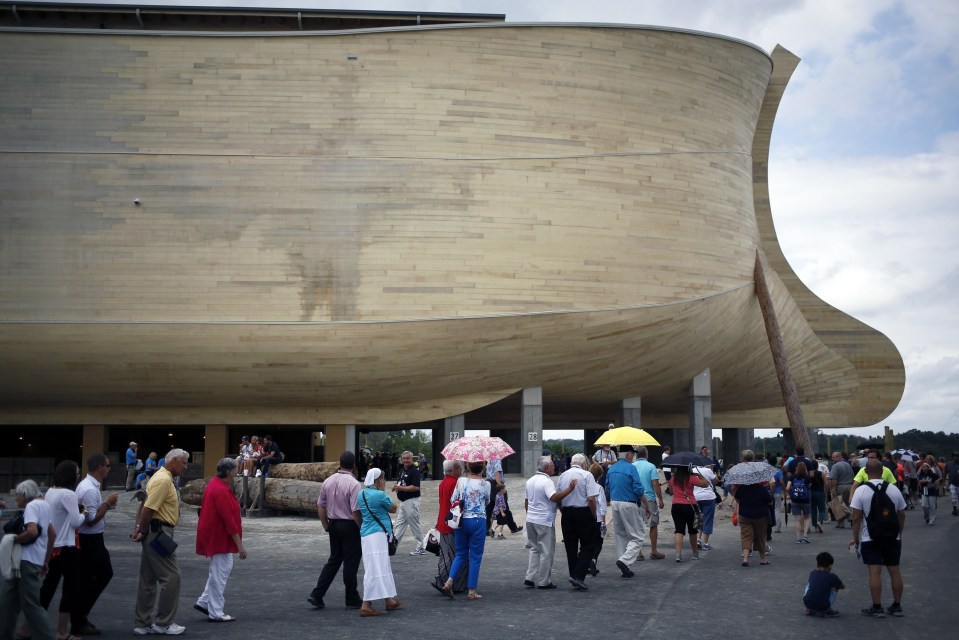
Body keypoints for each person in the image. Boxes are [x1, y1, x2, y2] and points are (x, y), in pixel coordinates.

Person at [130, 448, 190, 635]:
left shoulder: (159, 477)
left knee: (148, 579)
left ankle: (142, 623)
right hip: (159, 532)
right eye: (184, 463)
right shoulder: (164, 480)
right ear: (172, 461)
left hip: (153, 531)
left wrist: (139, 529)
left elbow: (143, 505)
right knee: (172, 577)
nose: (185, 467)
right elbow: (148, 509)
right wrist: (143, 529)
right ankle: (163, 622)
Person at [34, 460, 87, 640]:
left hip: (54, 545)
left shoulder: (50, 491)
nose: (78, 475)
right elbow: (75, 522)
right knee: (69, 589)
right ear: (70, 475)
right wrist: (84, 513)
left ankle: (29, 627)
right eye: (77, 473)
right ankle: (62, 631)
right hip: (68, 546)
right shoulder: (68, 494)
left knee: (47, 588)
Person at [0, 480, 56, 640]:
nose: (16, 499)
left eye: (17, 495)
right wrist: (45, 560)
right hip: (34, 560)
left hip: (25, 561)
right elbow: (52, 534)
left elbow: (31, 532)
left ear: (25, 495)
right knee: (7, 600)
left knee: (30, 605)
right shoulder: (44, 505)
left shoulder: (31, 507)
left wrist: (13, 540)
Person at [850, 459, 906, 618]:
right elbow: (902, 514)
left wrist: (856, 538)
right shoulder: (894, 490)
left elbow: (856, 518)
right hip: (892, 537)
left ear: (866, 473)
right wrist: (899, 534)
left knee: (875, 572)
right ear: (882, 472)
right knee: (894, 571)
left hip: (870, 537)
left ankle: (877, 607)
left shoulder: (861, 491)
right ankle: (897, 605)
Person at [308, 451, 363, 610]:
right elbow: (355, 511)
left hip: (333, 524)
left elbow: (320, 505)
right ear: (353, 465)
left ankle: (317, 594)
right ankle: (351, 597)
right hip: (349, 525)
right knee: (350, 563)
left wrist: (325, 524)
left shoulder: (328, 481)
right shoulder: (354, 484)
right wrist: (361, 528)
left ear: (339, 463)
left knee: (334, 560)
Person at [194, 457, 247, 622]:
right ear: (229, 473)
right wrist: (240, 545)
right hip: (218, 536)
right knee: (220, 572)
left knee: (220, 569)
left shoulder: (216, 485)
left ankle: (204, 601)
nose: (237, 473)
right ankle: (216, 611)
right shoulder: (221, 490)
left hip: (214, 534)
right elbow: (229, 521)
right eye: (235, 471)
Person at [73, 453, 120, 636]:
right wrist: (107, 504)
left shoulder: (89, 486)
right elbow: (91, 520)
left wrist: (104, 505)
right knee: (95, 578)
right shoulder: (90, 490)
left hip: (92, 539)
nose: (109, 469)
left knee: (94, 577)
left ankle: (80, 617)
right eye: (107, 466)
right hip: (90, 540)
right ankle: (79, 618)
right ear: (99, 467)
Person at [523, 456, 576, 589]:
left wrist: (530, 514)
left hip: (531, 519)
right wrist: (569, 489)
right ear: (546, 468)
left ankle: (530, 577)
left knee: (534, 548)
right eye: (552, 466)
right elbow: (553, 497)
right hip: (544, 520)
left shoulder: (530, 481)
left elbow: (526, 502)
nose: (554, 467)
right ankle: (543, 581)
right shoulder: (547, 482)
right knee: (546, 551)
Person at [440, 461, 491, 600]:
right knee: (475, 556)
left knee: (461, 554)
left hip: (461, 521)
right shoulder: (486, 484)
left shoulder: (461, 481)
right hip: (478, 520)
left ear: (468, 467)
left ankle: (449, 582)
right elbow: (487, 501)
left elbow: (453, 499)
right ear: (483, 468)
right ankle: (472, 590)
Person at [357, 468, 403, 616]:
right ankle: (365, 605)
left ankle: (388, 600)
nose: (384, 481)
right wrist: (384, 492)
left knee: (377, 567)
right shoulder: (379, 495)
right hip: (377, 535)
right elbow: (394, 508)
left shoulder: (361, 494)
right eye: (382, 479)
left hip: (366, 533)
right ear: (378, 480)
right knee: (376, 568)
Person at [557, 454, 599, 591]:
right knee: (588, 544)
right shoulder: (587, 475)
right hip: (583, 511)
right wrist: (594, 515)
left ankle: (573, 574)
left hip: (567, 512)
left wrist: (563, 511)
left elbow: (558, 497)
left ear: (571, 464)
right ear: (583, 464)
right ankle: (578, 575)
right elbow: (591, 499)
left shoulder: (563, 476)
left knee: (570, 545)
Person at [606, 446, 649, 575]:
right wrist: (647, 505)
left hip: (614, 503)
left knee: (620, 535)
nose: (634, 457)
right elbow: (638, 489)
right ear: (629, 455)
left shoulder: (612, 469)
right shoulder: (631, 468)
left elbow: (607, 487)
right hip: (629, 503)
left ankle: (624, 567)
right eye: (633, 454)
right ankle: (625, 561)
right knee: (638, 536)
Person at [430, 460, 468, 595]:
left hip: (442, 522)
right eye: (459, 468)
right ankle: (445, 581)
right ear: (453, 470)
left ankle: (448, 581)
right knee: (452, 556)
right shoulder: (454, 483)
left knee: (446, 555)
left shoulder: (443, 482)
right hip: (450, 524)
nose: (461, 470)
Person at [732, 464, 773, 566]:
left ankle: (745, 558)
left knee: (746, 536)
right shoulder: (762, 489)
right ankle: (763, 559)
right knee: (760, 537)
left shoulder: (742, 488)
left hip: (744, 515)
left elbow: (737, 499)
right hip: (760, 516)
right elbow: (770, 502)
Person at [669, 465, 708, 562]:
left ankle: (678, 554)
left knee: (679, 530)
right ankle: (695, 553)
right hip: (690, 506)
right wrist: (699, 475)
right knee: (693, 530)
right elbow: (705, 484)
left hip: (676, 506)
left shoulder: (673, 478)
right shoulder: (691, 478)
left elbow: (670, 491)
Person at [632, 446, 666, 559]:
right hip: (649, 498)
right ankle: (653, 551)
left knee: (636, 525)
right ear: (647, 455)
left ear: (636, 455)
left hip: (635, 499)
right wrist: (660, 499)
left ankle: (638, 553)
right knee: (653, 524)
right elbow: (655, 484)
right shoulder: (651, 466)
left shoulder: (632, 466)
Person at [392, 451, 426, 556]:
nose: (406, 460)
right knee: (400, 525)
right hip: (403, 502)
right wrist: (396, 486)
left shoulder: (414, 471)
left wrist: (401, 488)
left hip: (411, 501)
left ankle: (421, 547)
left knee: (414, 524)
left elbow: (416, 487)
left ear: (412, 459)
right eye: (404, 458)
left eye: (408, 458)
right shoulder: (402, 469)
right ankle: (393, 546)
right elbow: (400, 482)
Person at [803, 551, 844, 617]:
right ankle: (827, 609)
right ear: (830, 566)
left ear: (817, 564)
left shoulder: (813, 573)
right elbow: (841, 586)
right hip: (823, 606)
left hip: (807, 603)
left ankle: (809, 608)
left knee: (810, 584)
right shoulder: (832, 576)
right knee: (835, 587)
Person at [587, 463, 609, 576]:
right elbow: (603, 506)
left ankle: (586, 563)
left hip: (586, 517)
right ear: (599, 476)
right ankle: (593, 560)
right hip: (598, 518)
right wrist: (604, 521)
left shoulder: (585, 485)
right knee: (598, 542)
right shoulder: (599, 488)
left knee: (587, 542)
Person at [692, 464, 718, 550]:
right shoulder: (708, 470)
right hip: (709, 497)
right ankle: (706, 543)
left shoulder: (692, 471)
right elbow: (716, 482)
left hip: (696, 497)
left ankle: (698, 540)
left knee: (698, 519)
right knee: (708, 519)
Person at [787, 461, 813, 543]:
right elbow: (809, 487)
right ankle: (805, 535)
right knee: (807, 517)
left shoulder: (793, 477)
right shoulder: (807, 478)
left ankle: (798, 538)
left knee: (797, 519)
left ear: (796, 468)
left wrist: (790, 494)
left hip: (795, 499)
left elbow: (787, 487)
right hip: (805, 500)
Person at [829, 451, 854, 528]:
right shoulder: (848, 465)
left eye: (834, 457)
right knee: (848, 503)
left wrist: (833, 489)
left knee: (838, 504)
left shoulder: (835, 466)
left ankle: (841, 523)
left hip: (840, 486)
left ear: (839, 457)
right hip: (850, 485)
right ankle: (852, 518)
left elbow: (833, 479)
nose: (832, 459)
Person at [917, 455, 942, 525]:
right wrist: (922, 482)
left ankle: (932, 520)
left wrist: (937, 482)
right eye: (927, 459)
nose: (928, 460)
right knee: (924, 505)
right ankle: (927, 516)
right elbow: (918, 477)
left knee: (932, 505)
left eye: (929, 459)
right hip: (924, 489)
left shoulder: (935, 467)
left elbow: (940, 476)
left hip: (933, 488)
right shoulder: (922, 468)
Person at [810, 461, 828, 533]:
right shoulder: (822, 474)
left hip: (811, 493)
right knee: (821, 510)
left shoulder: (809, 474)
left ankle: (815, 527)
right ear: (817, 466)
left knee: (813, 510)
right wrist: (825, 492)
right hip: (820, 492)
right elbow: (826, 484)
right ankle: (819, 522)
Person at [946, 452, 959, 516]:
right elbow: (944, 473)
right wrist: (943, 482)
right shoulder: (948, 464)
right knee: (953, 496)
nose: (956, 457)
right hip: (952, 483)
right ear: (952, 457)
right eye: (955, 456)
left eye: (957, 456)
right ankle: (955, 509)